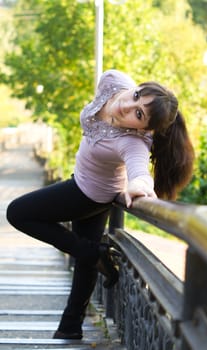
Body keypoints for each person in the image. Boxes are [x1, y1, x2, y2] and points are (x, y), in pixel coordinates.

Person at [6, 69, 194, 340]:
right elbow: (115, 81)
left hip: (88, 194)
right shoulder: (114, 83)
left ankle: (95, 254)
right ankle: (70, 327)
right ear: (136, 86)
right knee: (85, 261)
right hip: (88, 181)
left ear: (145, 129)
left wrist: (139, 184)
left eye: (138, 114)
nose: (128, 106)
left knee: (18, 213)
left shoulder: (134, 142)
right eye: (137, 95)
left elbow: (139, 171)